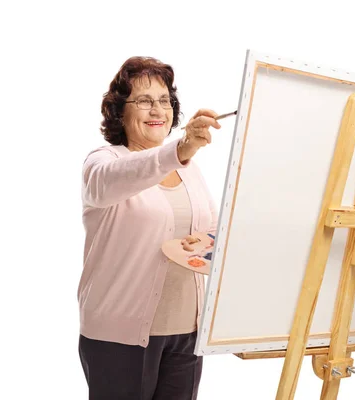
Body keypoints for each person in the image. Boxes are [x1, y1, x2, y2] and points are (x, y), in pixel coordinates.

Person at [77, 56, 221, 400]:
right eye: (144, 100)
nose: (157, 110)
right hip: (120, 338)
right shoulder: (104, 163)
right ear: (119, 112)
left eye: (164, 100)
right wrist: (182, 148)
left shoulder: (189, 170)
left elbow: (211, 231)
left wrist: (208, 241)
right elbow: (123, 177)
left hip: (187, 334)